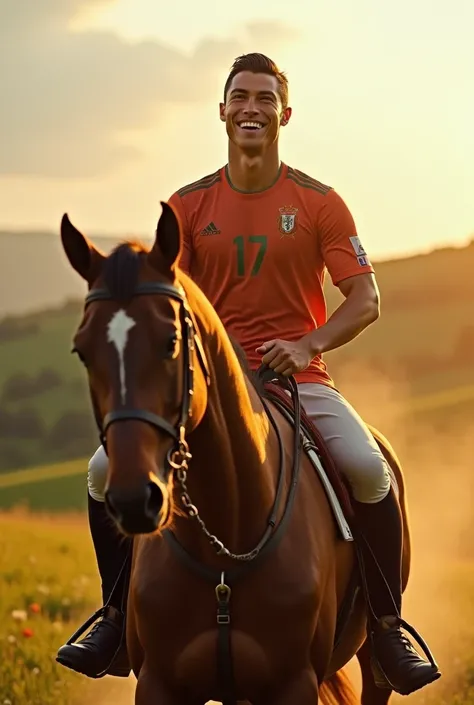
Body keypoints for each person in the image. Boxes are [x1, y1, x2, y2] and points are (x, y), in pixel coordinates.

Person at [56, 53, 441, 695]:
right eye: (240, 96)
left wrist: (307, 342)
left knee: (372, 470)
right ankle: (116, 616)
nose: (251, 108)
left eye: (265, 98)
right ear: (222, 110)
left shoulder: (320, 203)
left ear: (284, 114)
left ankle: (386, 625)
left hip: (301, 383)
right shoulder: (186, 206)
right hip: (210, 387)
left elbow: (365, 299)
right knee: (102, 473)